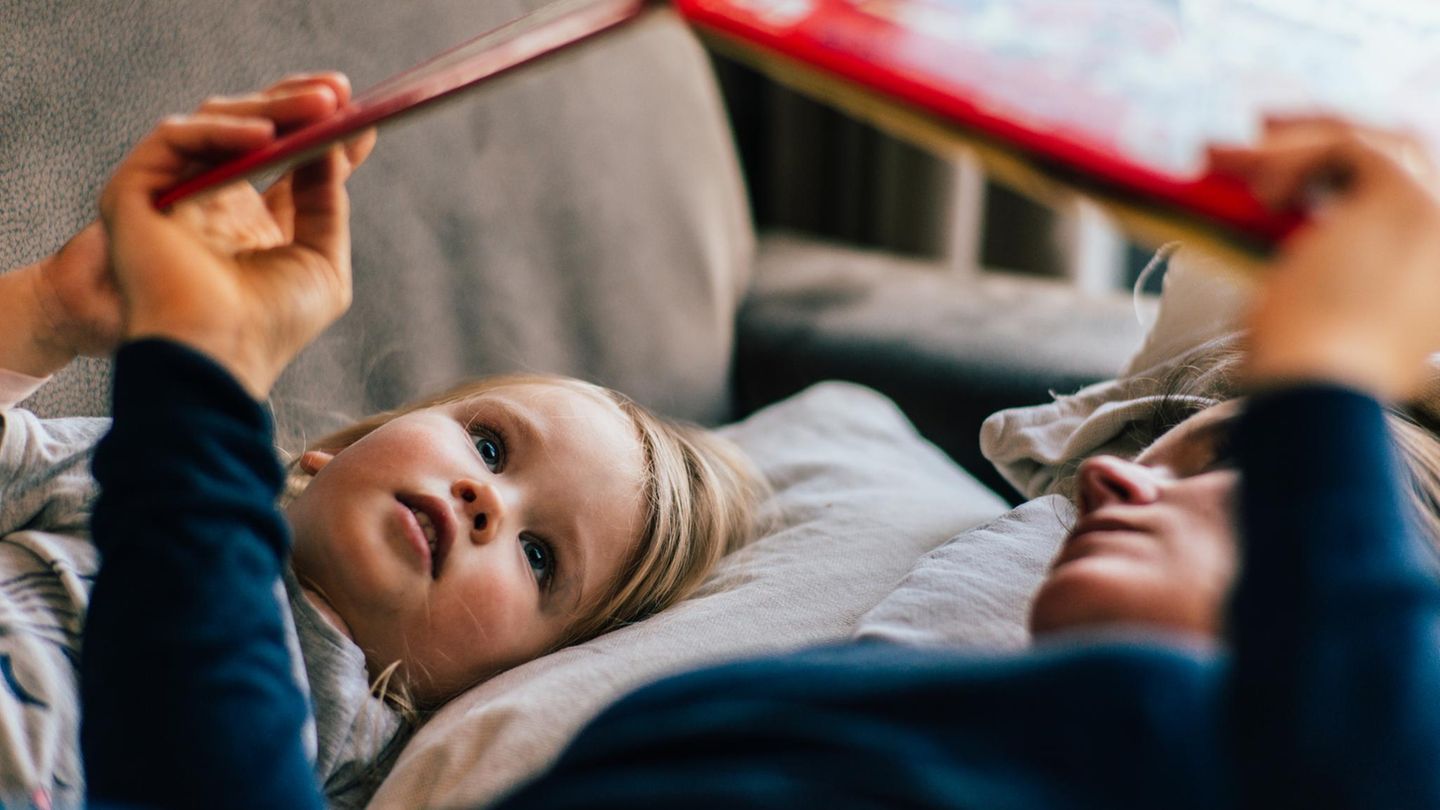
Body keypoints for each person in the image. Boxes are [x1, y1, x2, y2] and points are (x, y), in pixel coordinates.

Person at [483, 119, 1440, 808]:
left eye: (1239, 464)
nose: (1108, 476)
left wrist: (1329, 377)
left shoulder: (1281, 750)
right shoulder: (794, 698)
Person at [0, 75, 763, 808]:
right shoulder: (134, 464)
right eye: (491, 448)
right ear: (336, 453)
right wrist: (48, 311)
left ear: (502, 681)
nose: (486, 499)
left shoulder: (356, 749)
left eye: (540, 558)